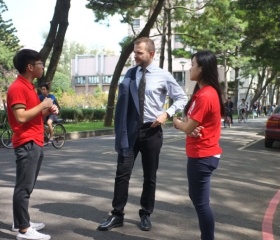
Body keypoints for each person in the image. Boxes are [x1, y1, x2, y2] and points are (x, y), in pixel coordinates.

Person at [97, 37, 187, 231]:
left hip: (151, 131)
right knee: (122, 173)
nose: (135, 55)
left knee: (149, 176)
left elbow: (181, 97)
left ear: (151, 54)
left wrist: (167, 113)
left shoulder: (163, 75)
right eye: (134, 52)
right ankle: (117, 214)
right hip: (129, 131)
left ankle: (146, 214)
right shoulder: (130, 74)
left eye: (139, 52)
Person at [6, 49, 59, 240]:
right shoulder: (18, 88)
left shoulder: (29, 87)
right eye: (40, 64)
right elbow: (20, 117)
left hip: (35, 139)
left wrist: (46, 110)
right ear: (30, 67)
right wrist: (43, 105)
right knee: (24, 187)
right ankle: (24, 230)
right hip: (27, 141)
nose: (42, 67)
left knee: (26, 185)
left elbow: (32, 115)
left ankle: (20, 221)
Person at [173, 50, 224, 240]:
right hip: (200, 154)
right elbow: (193, 123)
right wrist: (188, 126)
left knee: (201, 204)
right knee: (197, 198)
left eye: (192, 64)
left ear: (202, 68)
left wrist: (178, 123)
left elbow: (187, 126)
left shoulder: (205, 95)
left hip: (203, 156)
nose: (189, 68)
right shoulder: (203, 93)